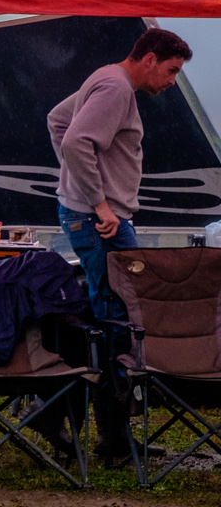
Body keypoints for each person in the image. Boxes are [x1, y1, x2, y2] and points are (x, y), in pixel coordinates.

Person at [47, 26, 192, 464]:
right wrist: (97, 201)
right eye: (171, 70)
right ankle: (110, 441)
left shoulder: (106, 78)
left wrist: (76, 181)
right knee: (118, 325)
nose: (172, 81)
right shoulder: (115, 87)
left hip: (95, 217)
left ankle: (82, 423)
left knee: (110, 319)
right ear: (149, 58)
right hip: (101, 222)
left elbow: (57, 121)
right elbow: (75, 140)